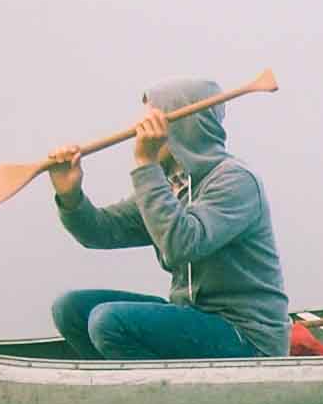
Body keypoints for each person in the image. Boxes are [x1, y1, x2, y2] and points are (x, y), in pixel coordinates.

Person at [47, 78, 293, 358]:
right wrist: (70, 196)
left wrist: (146, 165)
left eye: (151, 124)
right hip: (194, 318)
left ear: (181, 128)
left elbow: (181, 245)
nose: (138, 133)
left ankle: (151, 396)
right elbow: (100, 232)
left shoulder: (235, 181)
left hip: (247, 336)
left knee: (109, 322)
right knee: (70, 309)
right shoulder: (173, 185)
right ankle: (119, 389)